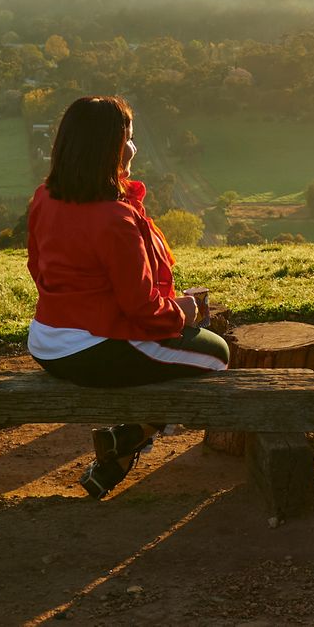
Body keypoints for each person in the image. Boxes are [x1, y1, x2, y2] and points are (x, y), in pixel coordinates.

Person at [25, 95, 229, 497]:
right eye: (128, 140)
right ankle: (132, 435)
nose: (134, 148)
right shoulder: (114, 218)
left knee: (181, 353)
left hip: (44, 342)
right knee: (215, 354)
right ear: (109, 147)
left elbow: (37, 269)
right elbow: (142, 308)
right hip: (92, 350)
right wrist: (183, 313)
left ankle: (120, 454)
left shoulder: (44, 197)